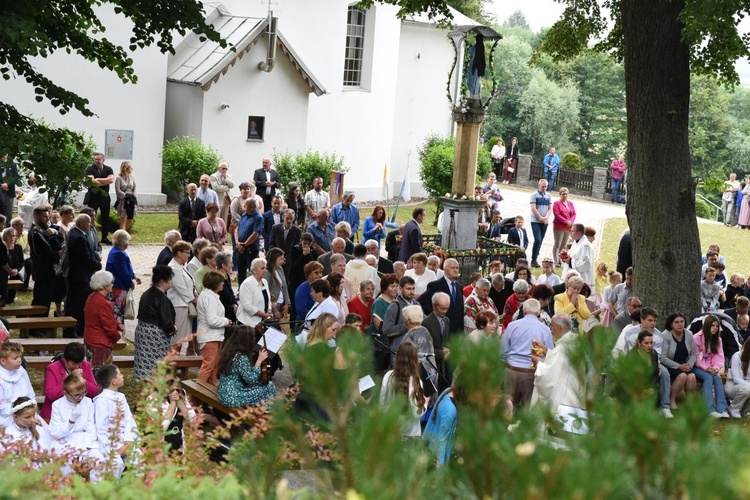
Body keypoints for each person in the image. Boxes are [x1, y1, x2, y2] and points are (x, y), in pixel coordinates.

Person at [500, 299, 555, 409]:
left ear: (524, 310)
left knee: (507, 409)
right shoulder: (545, 329)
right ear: (539, 311)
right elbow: (549, 353)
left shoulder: (512, 325)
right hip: (531, 373)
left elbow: (502, 351)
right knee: (527, 409)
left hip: (512, 370)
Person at [48, 374, 103, 477]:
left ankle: (97, 489)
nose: (80, 397)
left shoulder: (87, 402)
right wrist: (70, 422)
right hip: (65, 440)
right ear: (65, 393)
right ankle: (65, 489)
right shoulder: (57, 405)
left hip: (85, 441)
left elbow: (91, 427)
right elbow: (55, 432)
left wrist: (82, 448)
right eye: (76, 395)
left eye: (83, 393)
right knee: (62, 460)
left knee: (99, 459)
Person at [531, 314, 582, 412]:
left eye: (551, 326)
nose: (550, 330)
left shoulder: (564, 347)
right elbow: (560, 361)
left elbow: (549, 375)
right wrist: (545, 350)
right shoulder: (574, 341)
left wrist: (538, 363)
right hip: (572, 393)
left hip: (563, 397)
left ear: (559, 328)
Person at [94, 365, 137, 479]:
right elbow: (102, 429)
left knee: (139, 458)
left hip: (125, 440)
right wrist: (117, 447)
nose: (123, 376)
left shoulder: (121, 397)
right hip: (109, 444)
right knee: (116, 464)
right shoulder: (101, 401)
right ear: (113, 381)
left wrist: (128, 441)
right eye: (120, 374)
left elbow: (129, 420)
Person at [134, 265, 177, 381]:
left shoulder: (146, 293)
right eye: (170, 280)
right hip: (154, 337)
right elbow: (166, 321)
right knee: (156, 367)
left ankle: (148, 391)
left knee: (145, 366)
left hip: (142, 331)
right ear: (163, 281)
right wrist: (173, 329)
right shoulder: (162, 298)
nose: (171, 282)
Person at [217, 325, 276, 407]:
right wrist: (259, 360)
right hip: (233, 397)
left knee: (263, 386)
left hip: (223, 393)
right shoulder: (241, 357)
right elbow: (250, 379)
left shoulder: (229, 352)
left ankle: (261, 411)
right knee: (269, 386)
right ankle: (265, 414)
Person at [40, 342, 99, 421]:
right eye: (73, 363)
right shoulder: (52, 368)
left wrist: (83, 380)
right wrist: (68, 379)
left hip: (80, 412)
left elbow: (95, 392)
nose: (77, 366)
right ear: (65, 359)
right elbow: (51, 395)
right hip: (55, 414)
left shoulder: (86, 365)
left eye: (79, 363)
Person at [380, 341, 427, 438]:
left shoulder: (388, 377)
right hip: (411, 435)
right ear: (414, 360)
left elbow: (381, 404)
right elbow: (416, 413)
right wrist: (425, 402)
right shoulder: (416, 382)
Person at [29, 206, 63, 329]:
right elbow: (46, 253)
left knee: (47, 298)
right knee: (40, 299)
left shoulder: (46, 229)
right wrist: (57, 255)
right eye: (45, 217)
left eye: (48, 216)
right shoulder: (35, 233)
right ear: (37, 218)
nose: (47, 219)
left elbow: (59, 243)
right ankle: (35, 326)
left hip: (49, 271)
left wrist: (54, 232)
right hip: (42, 270)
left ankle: (42, 324)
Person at [197, 270, 232, 385]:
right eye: (221, 282)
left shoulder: (210, 295)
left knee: (214, 367)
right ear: (215, 283)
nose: (223, 284)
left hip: (214, 335)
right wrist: (226, 321)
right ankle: (195, 395)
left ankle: (212, 391)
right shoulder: (210, 298)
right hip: (209, 336)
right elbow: (212, 320)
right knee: (208, 366)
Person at [83, 271, 123, 368]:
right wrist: (119, 335)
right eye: (110, 282)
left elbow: (100, 319)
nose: (112, 284)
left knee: (93, 372)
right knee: (102, 376)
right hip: (100, 345)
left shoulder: (91, 297)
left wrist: (117, 324)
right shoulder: (102, 303)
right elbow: (109, 328)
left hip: (90, 340)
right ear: (104, 286)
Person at [693, 315, 730, 418]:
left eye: (717, 326)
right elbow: (695, 358)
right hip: (697, 366)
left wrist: (716, 368)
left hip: (711, 367)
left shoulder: (718, 340)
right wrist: (706, 369)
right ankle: (709, 409)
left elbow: (719, 356)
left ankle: (722, 409)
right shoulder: (696, 338)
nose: (715, 328)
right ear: (706, 326)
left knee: (717, 378)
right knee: (708, 377)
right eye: (712, 325)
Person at [660, 313, 698, 412]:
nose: (680, 324)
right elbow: (663, 357)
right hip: (671, 365)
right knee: (682, 376)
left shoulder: (689, 334)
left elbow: (694, 353)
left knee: (692, 376)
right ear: (671, 324)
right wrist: (678, 366)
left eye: (682, 322)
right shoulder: (665, 335)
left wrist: (689, 364)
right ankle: (671, 400)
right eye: (676, 322)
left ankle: (690, 402)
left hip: (686, 364)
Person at [418, 258, 464, 337]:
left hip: (457, 332)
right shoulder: (436, 285)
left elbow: (459, 309)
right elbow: (422, 301)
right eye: (453, 268)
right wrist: (436, 314)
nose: (456, 270)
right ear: (445, 269)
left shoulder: (459, 287)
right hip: (442, 330)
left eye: (457, 268)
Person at [167, 240, 198, 355]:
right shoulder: (173, 267)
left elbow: (190, 284)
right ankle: (172, 365)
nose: (189, 255)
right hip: (178, 306)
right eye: (187, 253)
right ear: (179, 253)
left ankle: (176, 364)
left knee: (181, 338)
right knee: (177, 338)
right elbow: (182, 289)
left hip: (185, 305)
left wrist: (195, 294)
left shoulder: (181, 266)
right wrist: (196, 301)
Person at [401, 305, 438, 392]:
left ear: (408, 320)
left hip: (416, 380)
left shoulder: (409, 336)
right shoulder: (426, 331)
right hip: (431, 375)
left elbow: (403, 360)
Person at [106, 229, 140, 321]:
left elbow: (127, 268)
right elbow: (123, 272)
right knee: (118, 311)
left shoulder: (118, 252)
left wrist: (134, 276)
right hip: (118, 287)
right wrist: (130, 282)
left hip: (119, 286)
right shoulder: (118, 254)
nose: (128, 243)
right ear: (122, 242)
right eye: (128, 241)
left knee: (119, 310)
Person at [422, 384, 458, 468]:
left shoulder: (447, 391)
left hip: (431, 450)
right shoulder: (450, 410)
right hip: (438, 460)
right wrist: (440, 474)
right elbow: (442, 442)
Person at [383, 276, 420, 360]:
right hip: (399, 352)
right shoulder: (394, 306)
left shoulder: (417, 304)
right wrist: (407, 326)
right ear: (400, 288)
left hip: (415, 350)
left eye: (413, 289)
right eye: (408, 289)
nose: (412, 292)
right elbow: (386, 330)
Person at [0, 341, 35, 427]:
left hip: (27, 413)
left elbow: (30, 393)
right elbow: (2, 407)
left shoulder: (21, 371)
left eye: (20, 357)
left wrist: (30, 411)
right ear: (3, 361)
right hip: (6, 418)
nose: (20, 360)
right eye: (15, 358)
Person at [369, 274, 399, 371]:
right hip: (380, 345)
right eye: (392, 286)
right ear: (385, 288)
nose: (395, 289)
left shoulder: (396, 301)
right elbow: (380, 327)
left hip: (392, 343)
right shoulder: (379, 303)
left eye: (396, 286)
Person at [85, 152, 115, 245]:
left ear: (103, 160)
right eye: (95, 159)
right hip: (93, 196)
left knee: (105, 217)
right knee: (91, 217)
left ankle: (104, 237)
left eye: (98, 159)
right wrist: (104, 181)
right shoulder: (90, 169)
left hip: (105, 197)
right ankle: (92, 237)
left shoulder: (108, 169)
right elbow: (91, 181)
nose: (96, 161)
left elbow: (111, 180)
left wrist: (97, 180)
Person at [237, 258, 273, 329]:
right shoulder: (247, 284)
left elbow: (268, 299)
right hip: (248, 323)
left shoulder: (264, 282)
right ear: (254, 270)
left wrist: (269, 311)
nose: (265, 270)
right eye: (262, 268)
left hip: (262, 322)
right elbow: (247, 306)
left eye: (265, 268)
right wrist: (263, 314)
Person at [235, 198, 264, 285]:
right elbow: (237, 229)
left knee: (253, 272)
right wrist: (237, 242)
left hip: (250, 249)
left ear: (251, 206)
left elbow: (255, 234)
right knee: (241, 272)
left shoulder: (258, 218)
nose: (244, 207)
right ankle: (241, 290)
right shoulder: (244, 215)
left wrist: (244, 245)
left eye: (245, 205)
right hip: (240, 248)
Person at [561, 223, 595, 289]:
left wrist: (570, 261)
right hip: (571, 277)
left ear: (579, 233)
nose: (570, 232)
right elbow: (573, 256)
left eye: (572, 231)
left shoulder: (585, 246)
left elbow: (586, 264)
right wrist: (565, 255)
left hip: (580, 279)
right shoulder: (576, 242)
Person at [269, 209, 302, 275]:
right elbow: (272, 244)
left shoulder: (297, 231)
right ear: (283, 217)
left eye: (291, 218)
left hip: (289, 261)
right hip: (276, 259)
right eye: (287, 218)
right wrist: (276, 257)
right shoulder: (275, 228)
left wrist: (285, 259)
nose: (289, 221)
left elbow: (296, 248)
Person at [529, 178, 552, 268]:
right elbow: (533, 208)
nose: (544, 188)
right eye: (543, 186)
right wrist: (540, 217)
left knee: (540, 241)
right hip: (535, 221)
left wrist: (546, 217)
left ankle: (536, 257)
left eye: (546, 186)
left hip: (544, 222)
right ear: (539, 186)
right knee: (537, 239)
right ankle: (533, 259)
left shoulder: (548, 196)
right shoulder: (534, 195)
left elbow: (550, 208)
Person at [725, 339, 750, 417]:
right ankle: (733, 408)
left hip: (747, 386)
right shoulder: (737, 356)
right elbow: (736, 378)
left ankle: (743, 411)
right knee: (747, 388)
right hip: (732, 386)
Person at [265, 247, 291, 321]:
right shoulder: (266, 272)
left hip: (281, 303)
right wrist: (274, 309)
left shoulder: (280, 269)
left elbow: (284, 286)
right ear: (274, 258)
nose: (283, 261)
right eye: (281, 259)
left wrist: (287, 303)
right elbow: (267, 292)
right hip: (272, 305)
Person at [552, 188, 576, 267]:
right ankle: (556, 260)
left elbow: (574, 214)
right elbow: (557, 214)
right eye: (563, 194)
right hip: (559, 226)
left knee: (564, 245)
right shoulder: (556, 203)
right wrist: (566, 221)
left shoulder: (570, 203)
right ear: (560, 194)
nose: (565, 195)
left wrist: (571, 222)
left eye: (566, 194)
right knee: (557, 244)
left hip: (568, 227)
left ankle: (560, 259)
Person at [114, 161, 137, 231]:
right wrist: (126, 196)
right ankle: (122, 237)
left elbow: (135, 188)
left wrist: (133, 198)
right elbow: (118, 191)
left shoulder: (132, 177)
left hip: (131, 200)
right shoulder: (118, 178)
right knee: (123, 219)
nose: (132, 169)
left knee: (130, 220)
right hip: (123, 201)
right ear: (125, 168)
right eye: (130, 167)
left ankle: (122, 234)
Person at [0, 228, 18, 306]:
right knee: (2, 297)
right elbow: (1, 261)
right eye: (2, 223)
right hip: (2, 274)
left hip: (4, 275)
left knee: (3, 297)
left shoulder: (17, 247)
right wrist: (10, 271)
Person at [0, 154, 19, 223]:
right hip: (0, 189)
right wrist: (1, 185)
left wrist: (7, 183)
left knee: (8, 212)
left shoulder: (13, 165)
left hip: (9, 191)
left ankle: (8, 229)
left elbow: (15, 177)